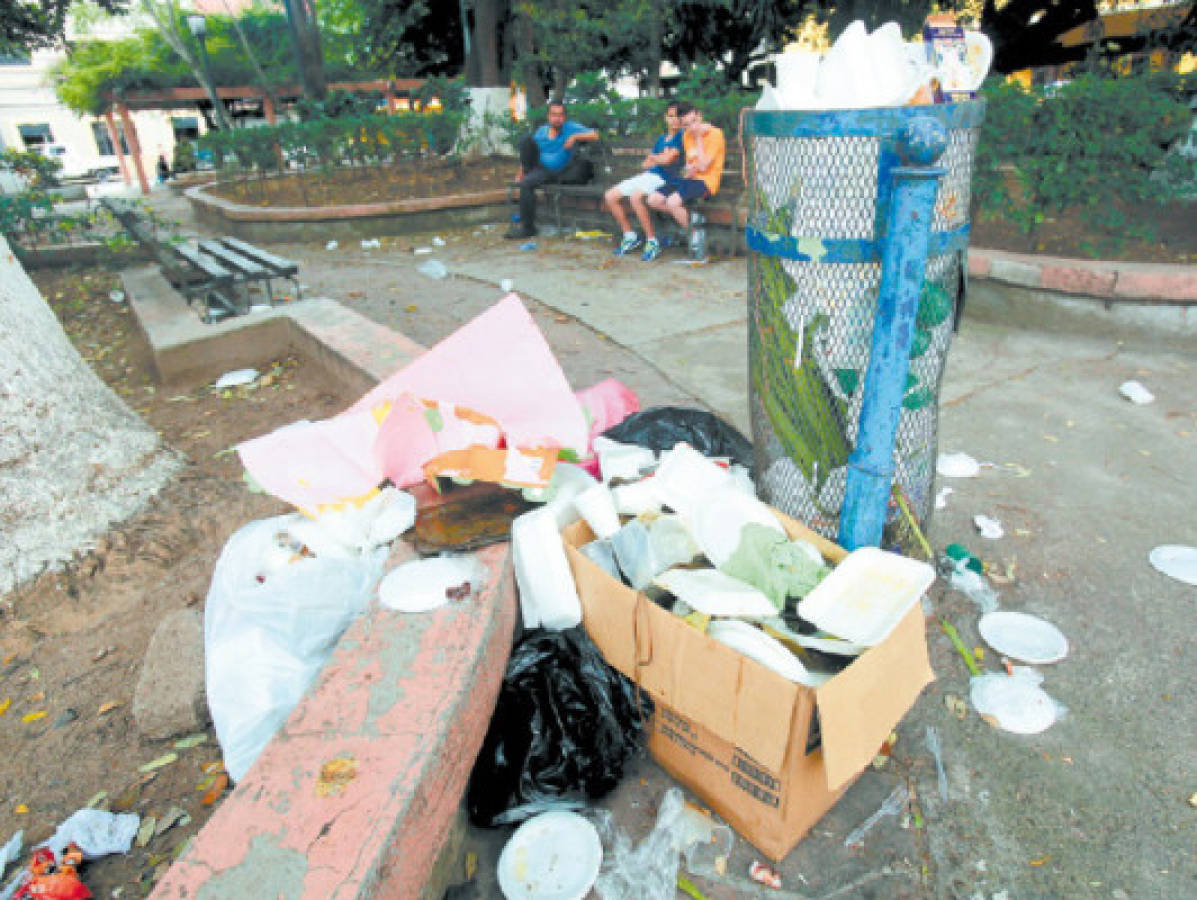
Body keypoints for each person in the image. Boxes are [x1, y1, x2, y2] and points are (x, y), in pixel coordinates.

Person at [642, 105, 726, 262]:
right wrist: (689, 168)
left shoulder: (715, 134)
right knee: (653, 199)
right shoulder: (687, 136)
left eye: (694, 121)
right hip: (690, 179)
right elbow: (692, 165)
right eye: (687, 124)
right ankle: (692, 221)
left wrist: (699, 137)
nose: (692, 127)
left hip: (707, 182)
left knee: (673, 202)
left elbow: (703, 166)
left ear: (700, 116)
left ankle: (694, 234)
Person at [507, 101, 598, 240]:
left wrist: (574, 137)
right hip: (539, 168)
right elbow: (529, 152)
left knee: (527, 183)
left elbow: (595, 135)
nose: (557, 118)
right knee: (526, 142)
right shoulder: (542, 131)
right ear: (549, 116)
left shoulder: (570, 128)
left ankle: (527, 227)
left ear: (565, 117)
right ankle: (528, 228)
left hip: (560, 171)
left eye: (561, 115)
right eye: (554, 115)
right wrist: (521, 172)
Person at [603, 102, 685, 257]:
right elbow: (646, 164)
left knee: (636, 197)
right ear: (666, 118)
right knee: (610, 196)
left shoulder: (682, 137)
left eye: (679, 116)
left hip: (664, 179)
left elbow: (668, 160)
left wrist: (657, 158)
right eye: (671, 116)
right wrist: (658, 158)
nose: (675, 120)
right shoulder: (662, 139)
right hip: (649, 176)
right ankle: (630, 236)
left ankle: (652, 241)